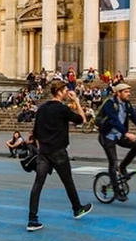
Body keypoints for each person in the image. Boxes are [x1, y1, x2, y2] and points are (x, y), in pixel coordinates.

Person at [26, 80, 92, 231]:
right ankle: (77, 208)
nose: (67, 92)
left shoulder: (42, 108)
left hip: (43, 152)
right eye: (65, 90)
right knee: (68, 181)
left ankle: (32, 219)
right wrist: (76, 100)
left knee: (37, 185)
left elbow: (34, 132)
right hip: (58, 152)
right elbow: (82, 120)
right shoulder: (62, 109)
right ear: (61, 92)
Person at [96, 82, 136, 201]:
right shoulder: (110, 104)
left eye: (129, 91)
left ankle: (123, 166)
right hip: (107, 136)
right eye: (126, 92)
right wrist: (126, 133)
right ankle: (117, 192)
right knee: (113, 162)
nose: (129, 94)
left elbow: (135, 117)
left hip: (119, 135)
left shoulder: (126, 104)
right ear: (118, 93)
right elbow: (113, 120)